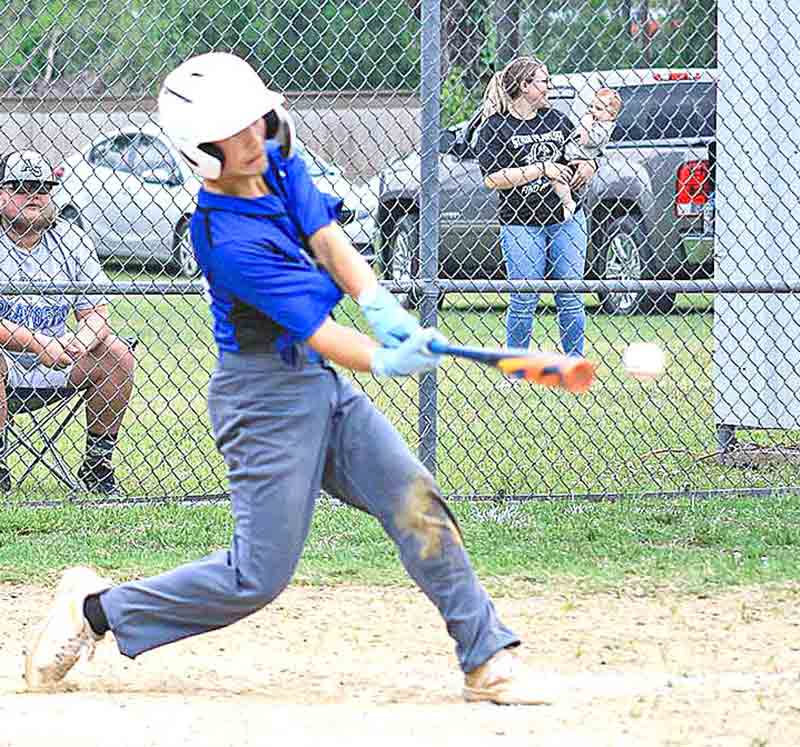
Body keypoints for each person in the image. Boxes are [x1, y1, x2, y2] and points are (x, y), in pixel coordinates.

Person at [23, 52, 549, 705]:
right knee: (257, 576)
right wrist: (388, 357)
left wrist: (381, 304)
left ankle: (485, 655)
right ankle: (93, 610)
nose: (252, 138)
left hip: (318, 383)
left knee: (415, 499)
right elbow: (320, 332)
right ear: (201, 151)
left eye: (257, 121)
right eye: (233, 133)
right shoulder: (222, 237)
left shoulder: (275, 163)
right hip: (262, 399)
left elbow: (327, 236)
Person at [0, 150, 135, 494]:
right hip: (8, 363)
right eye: (22, 185)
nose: (34, 194)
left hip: (58, 361)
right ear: (1, 192)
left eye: (43, 186)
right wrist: (34, 341)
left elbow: (95, 314)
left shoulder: (70, 238)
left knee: (116, 353)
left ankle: (97, 465)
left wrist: (80, 341)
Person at [476, 56, 598, 358]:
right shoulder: (495, 127)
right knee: (524, 298)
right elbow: (493, 178)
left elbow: (581, 152)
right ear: (524, 85)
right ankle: (517, 369)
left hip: (566, 219)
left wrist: (588, 165)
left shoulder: (557, 119)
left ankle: (574, 364)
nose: (549, 87)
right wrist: (543, 169)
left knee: (570, 296)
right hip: (521, 223)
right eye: (544, 81)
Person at [552, 87, 622, 222]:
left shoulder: (604, 128)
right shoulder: (597, 123)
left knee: (558, 179)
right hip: (569, 157)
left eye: (599, 109)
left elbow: (585, 140)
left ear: (611, 116)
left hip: (577, 161)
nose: (592, 111)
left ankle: (568, 204)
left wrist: (585, 124)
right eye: (591, 106)